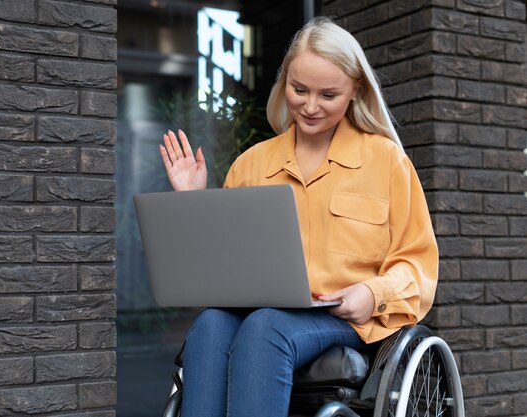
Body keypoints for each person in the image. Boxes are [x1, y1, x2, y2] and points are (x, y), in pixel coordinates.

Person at [158, 17, 438, 417]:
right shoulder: (252, 163)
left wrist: (372, 294)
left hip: (342, 319)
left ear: (354, 90)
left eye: (328, 94)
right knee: (210, 325)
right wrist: (193, 203)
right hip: (262, 313)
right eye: (299, 89)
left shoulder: (385, 160)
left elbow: (417, 263)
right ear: (284, 82)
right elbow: (220, 270)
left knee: (264, 329)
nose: (310, 106)